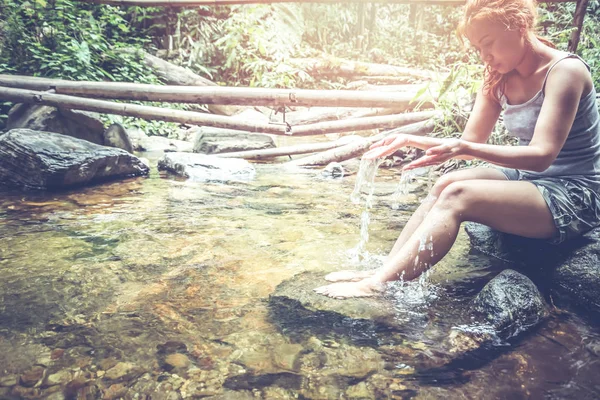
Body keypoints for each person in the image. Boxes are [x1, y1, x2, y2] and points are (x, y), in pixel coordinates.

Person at [315, 0, 600, 299]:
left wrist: (463, 147)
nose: (484, 56)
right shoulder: (498, 78)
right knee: (447, 182)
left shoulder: (565, 71)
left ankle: (379, 284)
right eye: (478, 48)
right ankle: (387, 270)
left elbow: (543, 156)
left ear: (518, 26)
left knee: (458, 195)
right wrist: (411, 140)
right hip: (531, 179)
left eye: (487, 43)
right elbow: (467, 144)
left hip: (575, 191)